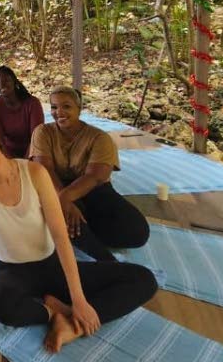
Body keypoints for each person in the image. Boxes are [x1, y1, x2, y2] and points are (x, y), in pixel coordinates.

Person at [0, 126, 156, 353]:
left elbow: (60, 234)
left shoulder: (34, 172)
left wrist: (79, 299)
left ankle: (72, 327)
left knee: (144, 279)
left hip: (50, 265)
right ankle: (54, 312)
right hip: (10, 269)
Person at [29, 86, 150, 262]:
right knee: (61, 214)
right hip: (55, 186)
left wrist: (64, 198)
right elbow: (44, 169)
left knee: (138, 232)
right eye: (54, 107)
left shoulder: (99, 138)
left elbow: (95, 176)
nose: (59, 112)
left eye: (66, 106)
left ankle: (79, 230)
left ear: (79, 109)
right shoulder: (43, 132)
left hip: (92, 189)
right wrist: (62, 201)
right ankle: (108, 261)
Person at [0, 65, 44, 159]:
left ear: (14, 82)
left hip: (34, 149)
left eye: (6, 81)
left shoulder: (33, 103)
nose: (1, 85)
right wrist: (11, 161)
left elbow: (36, 137)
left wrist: (26, 160)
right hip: (8, 151)